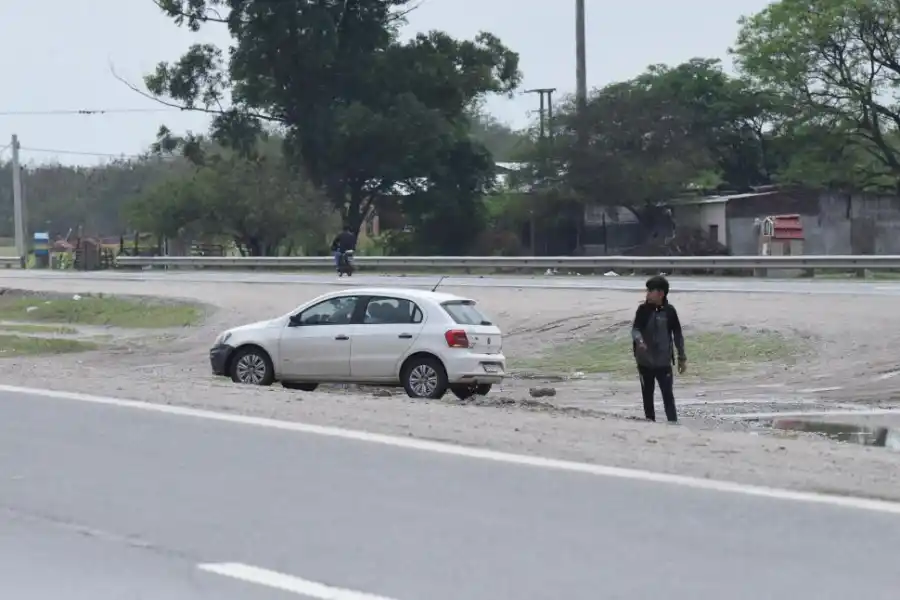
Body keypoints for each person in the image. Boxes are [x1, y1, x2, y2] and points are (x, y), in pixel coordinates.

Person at [631, 275, 686, 423]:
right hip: (645, 362)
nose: (647, 294)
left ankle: (673, 423)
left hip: (664, 363)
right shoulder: (642, 310)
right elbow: (635, 330)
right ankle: (650, 424)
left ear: (661, 293)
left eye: (650, 291)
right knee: (647, 396)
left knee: (668, 396)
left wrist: (682, 358)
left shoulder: (670, 312)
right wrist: (640, 341)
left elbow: (678, 335)